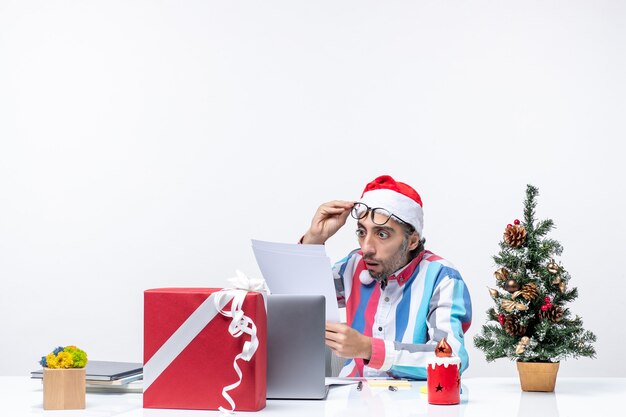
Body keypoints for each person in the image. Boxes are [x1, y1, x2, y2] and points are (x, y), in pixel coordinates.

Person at [301, 175, 472, 379]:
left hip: (413, 406)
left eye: (382, 234)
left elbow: (452, 358)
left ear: (412, 241)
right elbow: (300, 300)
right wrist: (314, 239)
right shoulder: (353, 265)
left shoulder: (441, 277)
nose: (366, 248)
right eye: (362, 232)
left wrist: (369, 349)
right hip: (352, 402)